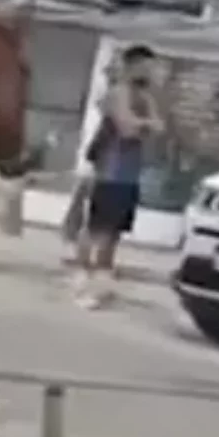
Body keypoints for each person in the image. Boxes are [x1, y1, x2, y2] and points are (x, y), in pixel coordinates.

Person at [74, 43, 164, 307]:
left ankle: (102, 284)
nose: (151, 73)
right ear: (132, 66)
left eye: (152, 68)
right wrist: (145, 125)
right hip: (109, 172)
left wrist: (144, 124)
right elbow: (127, 129)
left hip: (130, 176)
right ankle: (82, 279)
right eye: (147, 67)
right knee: (96, 231)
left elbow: (159, 128)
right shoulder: (118, 93)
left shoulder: (145, 98)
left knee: (114, 234)